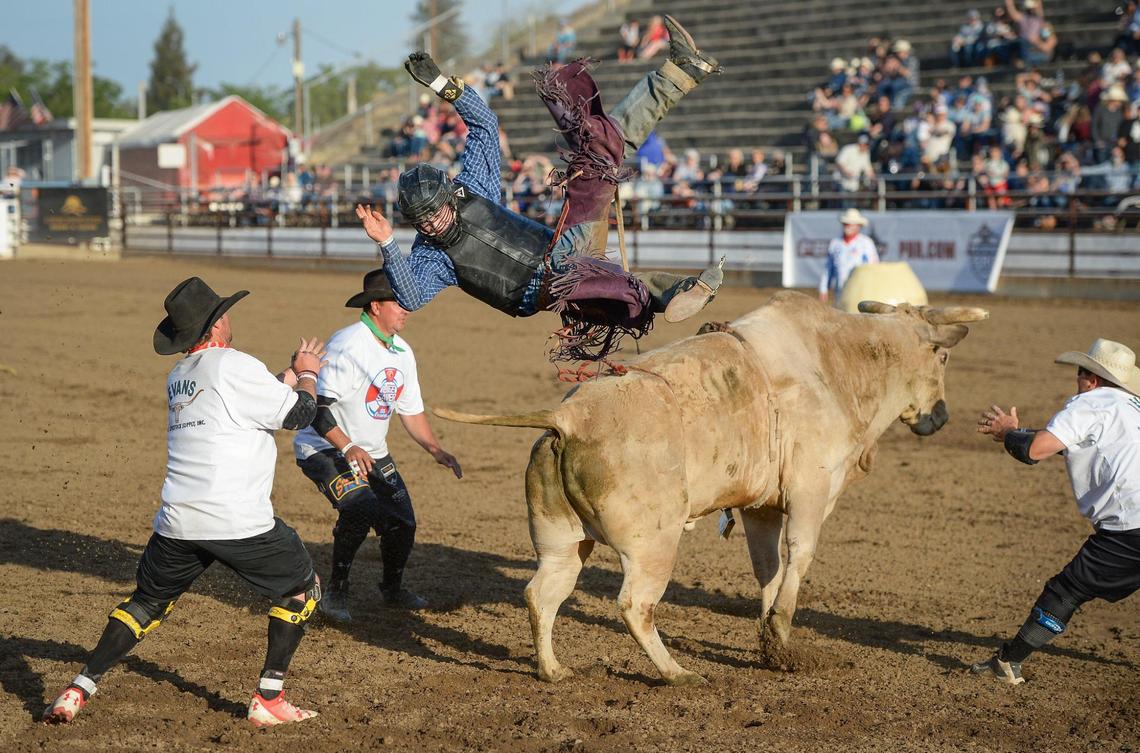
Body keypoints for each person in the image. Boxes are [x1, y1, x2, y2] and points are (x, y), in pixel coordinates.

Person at [42, 278, 326, 726]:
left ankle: (79, 688)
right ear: (215, 328)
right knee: (302, 589)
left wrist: (285, 378)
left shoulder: (180, 375)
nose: (230, 319)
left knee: (145, 605)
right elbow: (300, 414)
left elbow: (239, 404)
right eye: (224, 313)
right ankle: (269, 699)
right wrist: (308, 371)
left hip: (177, 521)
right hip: (236, 521)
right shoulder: (233, 363)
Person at [358, 16, 725, 362]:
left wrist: (444, 86)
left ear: (449, 195)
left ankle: (679, 73)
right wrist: (388, 244)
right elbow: (411, 296)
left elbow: (485, 124)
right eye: (423, 223)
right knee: (611, 281)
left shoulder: (472, 185)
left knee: (601, 150)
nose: (432, 226)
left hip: (565, 243)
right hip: (551, 283)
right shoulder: (430, 258)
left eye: (435, 214)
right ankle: (681, 290)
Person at [294, 271, 461, 620]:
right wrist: (349, 446)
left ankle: (392, 589)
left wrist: (435, 449)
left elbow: (411, 411)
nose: (407, 309)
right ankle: (335, 593)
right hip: (324, 448)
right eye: (398, 302)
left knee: (402, 523)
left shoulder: (402, 352)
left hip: (371, 452)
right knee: (360, 507)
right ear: (375, 305)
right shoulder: (349, 345)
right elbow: (316, 411)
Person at [972, 338, 1140, 684]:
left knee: (1067, 591)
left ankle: (1007, 664)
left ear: (1089, 378)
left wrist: (1008, 434)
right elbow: (1075, 445)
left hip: (1130, 525)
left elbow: (1035, 450)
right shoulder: (1133, 408)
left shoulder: (1089, 403)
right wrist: (1013, 433)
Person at [818, 208, 880, 303]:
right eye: (846, 223)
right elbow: (828, 269)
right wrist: (823, 289)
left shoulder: (866, 243)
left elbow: (874, 266)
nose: (848, 226)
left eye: (851, 224)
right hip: (840, 290)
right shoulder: (835, 244)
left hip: (861, 291)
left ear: (858, 226)